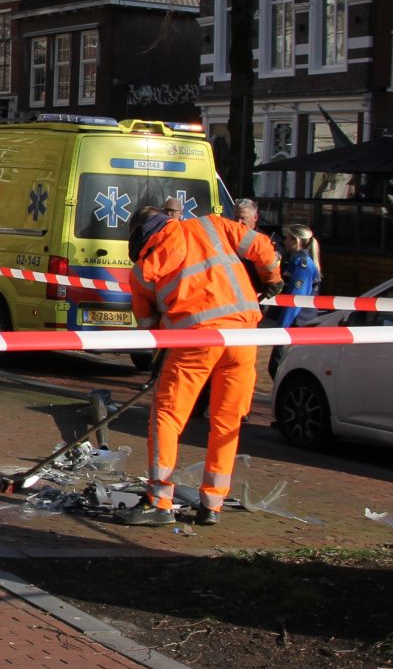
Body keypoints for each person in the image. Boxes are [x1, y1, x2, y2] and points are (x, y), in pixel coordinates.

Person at [120, 199, 281, 528]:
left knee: (166, 418)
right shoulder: (211, 225)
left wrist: (159, 352)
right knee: (227, 422)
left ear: (136, 236)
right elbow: (262, 246)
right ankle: (213, 502)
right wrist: (272, 279)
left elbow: (148, 324)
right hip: (242, 338)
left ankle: (160, 500)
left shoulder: (142, 269)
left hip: (194, 344)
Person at [266, 224, 321, 379]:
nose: (285, 242)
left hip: (297, 323)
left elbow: (295, 301)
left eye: (288, 238)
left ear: (296, 241)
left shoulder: (302, 264)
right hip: (296, 323)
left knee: (278, 368)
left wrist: (282, 329)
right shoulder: (295, 260)